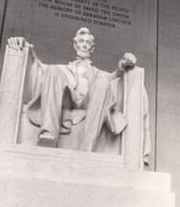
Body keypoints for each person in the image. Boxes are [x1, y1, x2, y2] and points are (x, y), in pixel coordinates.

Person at [7, 28, 138, 151]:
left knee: (103, 82)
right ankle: (48, 134)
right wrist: (26, 48)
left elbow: (113, 79)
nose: (85, 45)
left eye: (88, 43)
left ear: (92, 48)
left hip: (88, 102)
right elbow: (39, 68)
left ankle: (87, 146)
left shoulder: (97, 73)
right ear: (75, 45)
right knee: (52, 70)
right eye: (81, 41)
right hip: (67, 98)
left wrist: (121, 67)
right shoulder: (62, 69)